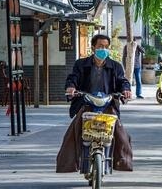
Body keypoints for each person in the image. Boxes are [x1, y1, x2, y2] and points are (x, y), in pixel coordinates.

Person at [56, 34, 133, 173]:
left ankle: (122, 162)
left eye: (106, 47)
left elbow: (123, 81)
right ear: (93, 48)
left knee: (121, 133)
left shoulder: (115, 66)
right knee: (73, 132)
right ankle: (68, 164)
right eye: (100, 46)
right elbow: (73, 78)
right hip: (86, 104)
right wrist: (71, 87)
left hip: (108, 105)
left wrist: (126, 90)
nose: (103, 49)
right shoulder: (81, 64)